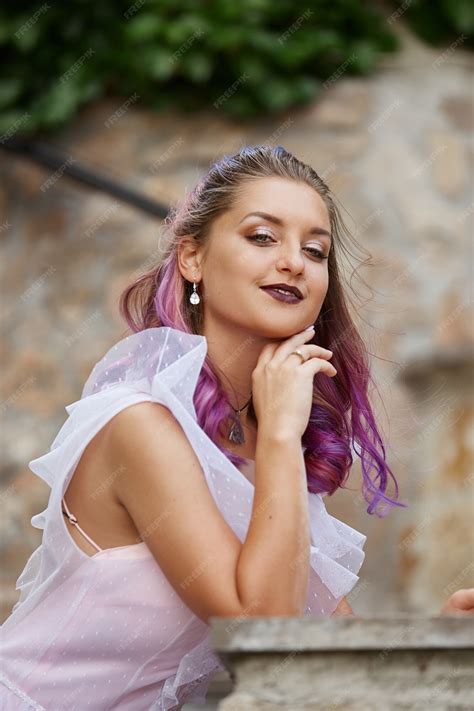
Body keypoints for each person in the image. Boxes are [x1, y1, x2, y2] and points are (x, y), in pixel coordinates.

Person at [1, 145, 471, 710]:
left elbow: (325, 650)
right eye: (262, 237)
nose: (294, 262)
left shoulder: (267, 438)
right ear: (192, 258)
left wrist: (440, 644)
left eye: (315, 250)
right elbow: (262, 632)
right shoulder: (141, 425)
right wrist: (278, 436)